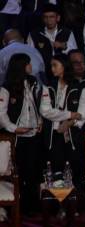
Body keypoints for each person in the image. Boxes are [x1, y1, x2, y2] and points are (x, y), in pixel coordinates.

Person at [39, 54, 85, 188]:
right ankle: (58, 206)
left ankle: (75, 207)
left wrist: (70, 122)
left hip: (73, 136)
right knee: (56, 173)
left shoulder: (79, 87)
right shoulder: (48, 87)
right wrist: (69, 114)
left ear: (64, 65)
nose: (52, 68)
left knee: (75, 170)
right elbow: (46, 111)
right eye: (51, 66)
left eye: (55, 65)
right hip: (53, 135)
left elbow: (82, 114)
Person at [0, 54, 42, 213]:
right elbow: (1, 114)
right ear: (21, 66)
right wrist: (13, 128)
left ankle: (31, 207)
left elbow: (39, 106)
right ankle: (15, 208)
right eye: (28, 64)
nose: (31, 66)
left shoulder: (34, 82)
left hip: (33, 134)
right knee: (18, 172)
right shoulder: (7, 87)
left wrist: (40, 122)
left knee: (33, 172)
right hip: (17, 137)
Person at [27, 4, 78, 74]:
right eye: (46, 17)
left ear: (58, 18)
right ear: (42, 19)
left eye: (52, 17)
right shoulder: (34, 35)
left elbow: (73, 54)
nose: (49, 20)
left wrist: (64, 47)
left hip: (62, 72)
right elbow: (30, 55)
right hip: (42, 72)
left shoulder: (67, 33)